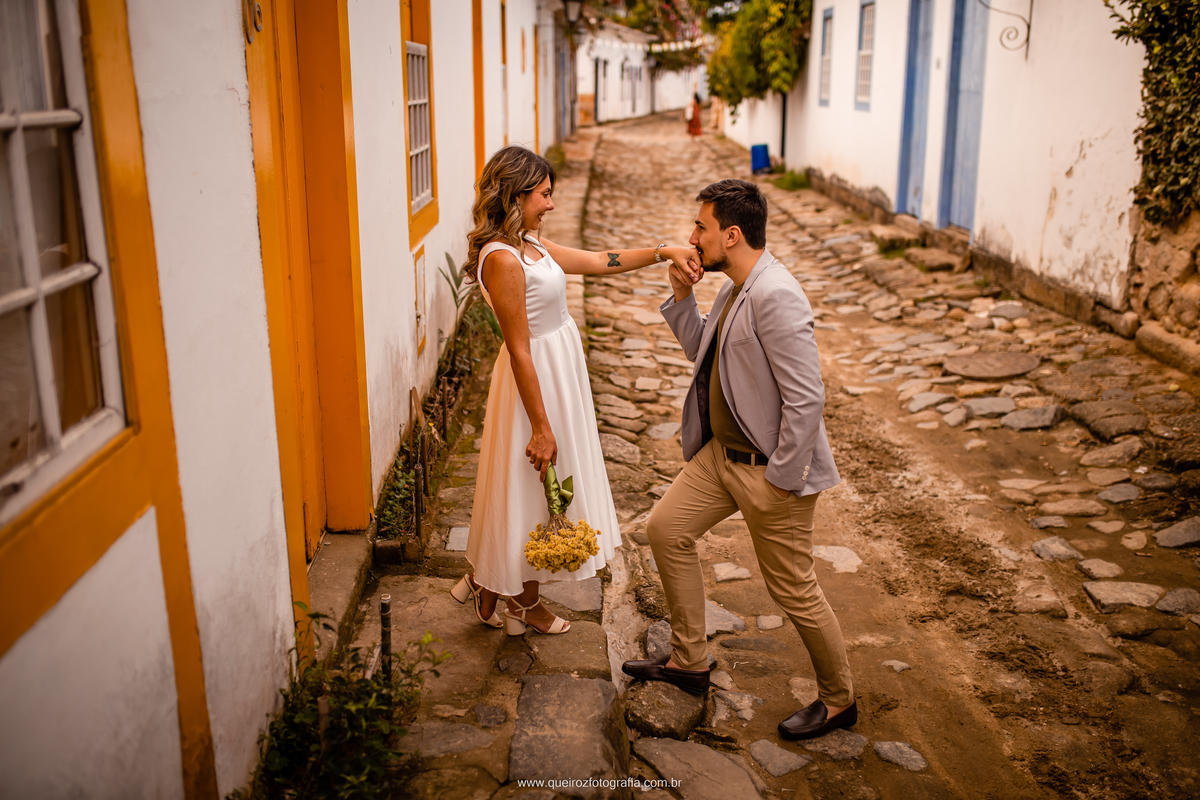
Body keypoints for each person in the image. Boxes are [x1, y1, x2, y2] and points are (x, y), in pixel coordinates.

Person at [620, 179, 857, 741]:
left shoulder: (778, 294)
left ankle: (840, 700)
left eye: (700, 227)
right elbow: (705, 352)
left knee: (793, 588)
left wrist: (782, 479)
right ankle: (690, 661)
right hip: (719, 460)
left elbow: (807, 398)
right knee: (665, 530)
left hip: (768, 472)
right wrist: (682, 299)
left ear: (731, 234)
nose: (691, 237)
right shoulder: (732, 286)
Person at [451, 145, 700, 636]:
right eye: (544, 194)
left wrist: (662, 251)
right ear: (515, 194)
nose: (550, 204)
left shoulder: (533, 247)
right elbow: (520, 349)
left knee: (539, 488)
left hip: (559, 374)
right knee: (534, 488)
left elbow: (599, 260)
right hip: (536, 383)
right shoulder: (502, 259)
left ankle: (491, 583)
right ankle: (521, 601)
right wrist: (541, 426)